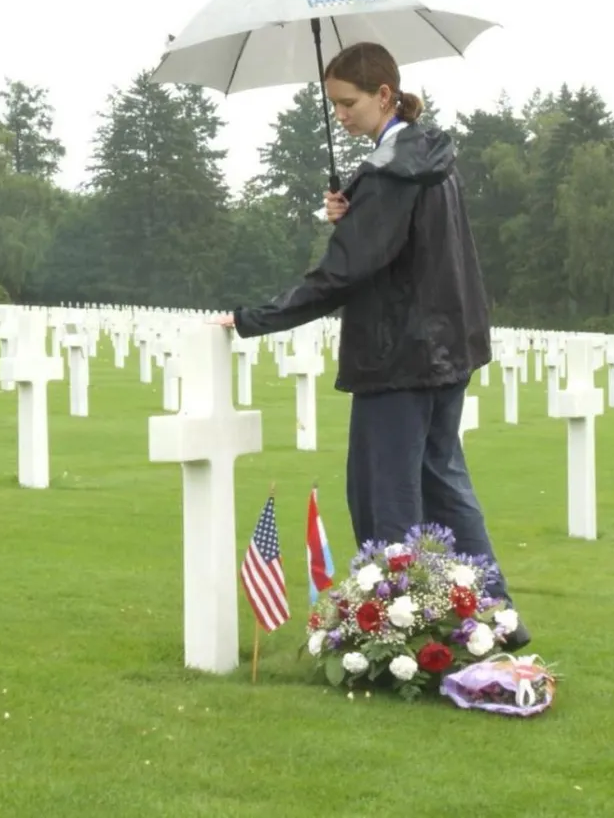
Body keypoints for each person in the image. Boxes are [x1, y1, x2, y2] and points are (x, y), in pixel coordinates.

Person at [213, 41, 530, 651]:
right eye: (334, 104)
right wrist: (352, 213)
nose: (341, 115)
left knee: (386, 497)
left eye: (348, 102)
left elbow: (342, 275)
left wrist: (254, 318)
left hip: (397, 357)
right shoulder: (430, 157)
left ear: (385, 94)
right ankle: (497, 620)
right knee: (445, 485)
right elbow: (402, 250)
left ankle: (399, 637)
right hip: (447, 350)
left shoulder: (390, 174)